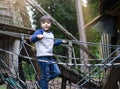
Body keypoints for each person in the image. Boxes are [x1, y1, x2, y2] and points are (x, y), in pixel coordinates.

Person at [30, 15, 66, 89]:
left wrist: (61, 41)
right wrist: (37, 37)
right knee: (45, 75)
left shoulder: (51, 34)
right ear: (41, 24)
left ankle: (41, 82)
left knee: (57, 72)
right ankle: (43, 84)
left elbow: (52, 43)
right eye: (43, 23)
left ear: (50, 24)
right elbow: (32, 39)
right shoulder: (39, 32)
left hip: (50, 57)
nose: (46, 24)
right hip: (42, 57)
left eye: (48, 22)